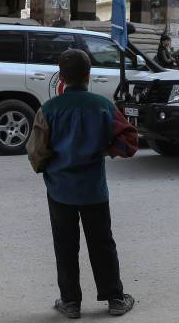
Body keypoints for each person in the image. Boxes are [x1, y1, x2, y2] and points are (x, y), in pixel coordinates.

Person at [26, 49, 138, 319]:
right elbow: (130, 142)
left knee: (65, 245)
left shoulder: (48, 109)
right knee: (102, 243)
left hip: (60, 190)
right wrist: (105, 149)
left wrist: (50, 167)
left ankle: (71, 302)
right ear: (89, 75)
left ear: (61, 77)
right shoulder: (102, 105)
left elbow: (36, 152)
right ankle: (115, 298)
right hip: (94, 190)